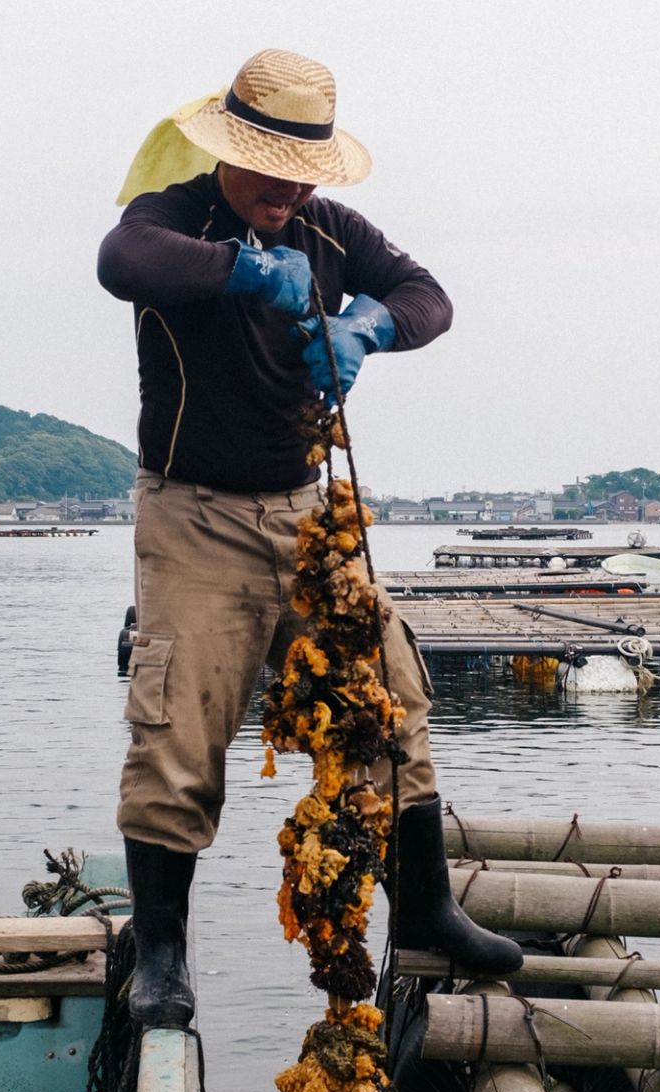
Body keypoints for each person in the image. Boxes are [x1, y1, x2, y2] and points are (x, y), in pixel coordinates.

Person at [97, 49, 523, 1028]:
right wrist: (243, 273)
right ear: (224, 149)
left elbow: (431, 296)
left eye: (303, 171)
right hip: (192, 513)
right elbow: (121, 263)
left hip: (304, 512)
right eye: (267, 166)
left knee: (389, 692)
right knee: (179, 722)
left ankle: (426, 905)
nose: (287, 189)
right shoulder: (173, 216)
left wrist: (370, 320)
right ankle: (163, 951)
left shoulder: (333, 227)